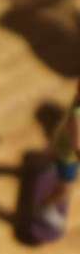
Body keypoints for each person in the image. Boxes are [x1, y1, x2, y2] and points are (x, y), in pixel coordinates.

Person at [41, 79, 80, 231]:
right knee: (64, 190)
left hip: (62, 143)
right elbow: (77, 148)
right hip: (67, 157)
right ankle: (45, 209)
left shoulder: (77, 101)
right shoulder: (77, 117)